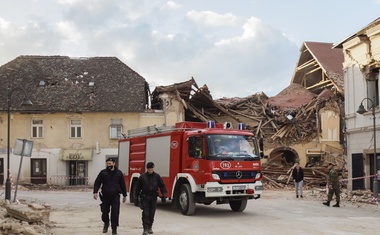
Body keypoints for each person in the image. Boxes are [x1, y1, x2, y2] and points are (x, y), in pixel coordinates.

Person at [93, 157, 127, 235]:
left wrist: (124, 195)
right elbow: (97, 182)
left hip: (115, 195)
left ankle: (114, 229)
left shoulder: (119, 173)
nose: (109, 165)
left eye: (110, 164)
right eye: (107, 164)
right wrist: (95, 192)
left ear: (114, 164)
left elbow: (122, 184)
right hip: (105, 195)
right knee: (104, 212)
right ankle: (106, 223)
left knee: (115, 212)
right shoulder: (103, 173)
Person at [135, 162, 168, 235]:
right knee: (145, 213)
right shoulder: (142, 177)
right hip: (145, 197)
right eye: (149, 169)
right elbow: (137, 188)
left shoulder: (157, 176)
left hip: (153, 197)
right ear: (147, 169)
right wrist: (136, 198)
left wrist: (164, 195)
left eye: (152, 169)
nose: (150, 170)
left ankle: (150, 226)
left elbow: (162, 186)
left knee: (152, 213)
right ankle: (145, 228)